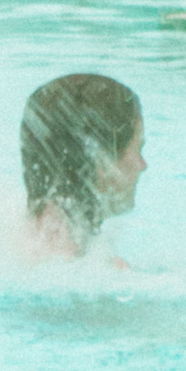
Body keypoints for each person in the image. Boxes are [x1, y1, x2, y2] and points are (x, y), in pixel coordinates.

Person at [19, 69, 147, 260]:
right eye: (138, 149)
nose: (142, 165)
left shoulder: (10, 233)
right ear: (101, 160)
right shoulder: (100, 274)